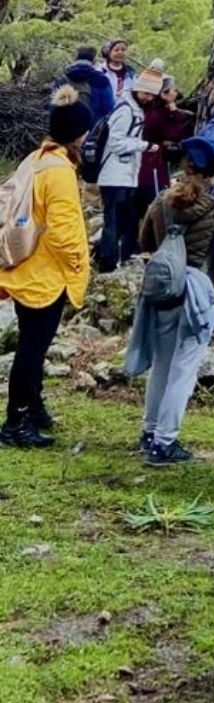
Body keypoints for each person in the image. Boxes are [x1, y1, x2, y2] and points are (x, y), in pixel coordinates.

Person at [129, 138, 214, 465]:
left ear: (187, 166)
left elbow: (143, 240)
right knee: (183, 371)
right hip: (196, 291)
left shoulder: (163, 198)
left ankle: (149, 431)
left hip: (161, 290)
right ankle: (165, 443)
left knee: (161, 366)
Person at [0, 87, 94, 447]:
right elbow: (64, 230)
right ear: (77, 134)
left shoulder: (36, 159)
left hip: (26, 270)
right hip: (45, 276)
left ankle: (33, 407)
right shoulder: (60, 172)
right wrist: (77, 265)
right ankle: (16, 422)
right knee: (32, 349)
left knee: (31, 344)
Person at [94, 61, 163, 273]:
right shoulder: (125, 111)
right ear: (138, 89)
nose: (149, 98)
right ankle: (107, 264)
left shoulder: (136, 111)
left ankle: (109, 258)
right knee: (113, 222)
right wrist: (144, 146)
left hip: (125, 175)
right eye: (147, 94)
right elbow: (116, 142)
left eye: (152, 95)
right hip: (114, 175)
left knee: (122, 221)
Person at [136, 68, 187, 237]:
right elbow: (174, 134)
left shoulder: (154, 112)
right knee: (153, 205)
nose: (175, 93)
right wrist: (174, 110)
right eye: (172, 90)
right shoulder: (157, 114)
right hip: (152, 167)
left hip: (154, 163)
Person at [51, 46, 115, 123]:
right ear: (94, 60)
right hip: (91, 128)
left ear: (76, 59)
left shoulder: (62, 78)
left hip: (65, 128)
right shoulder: (101, 79)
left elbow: (53, 106)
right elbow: (109, 107)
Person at [97, 38, 135, 103]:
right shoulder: (100, 71)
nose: (120, 52)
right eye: (116, 50)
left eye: (123, 50)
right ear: (108, 52)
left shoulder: (131, 72)